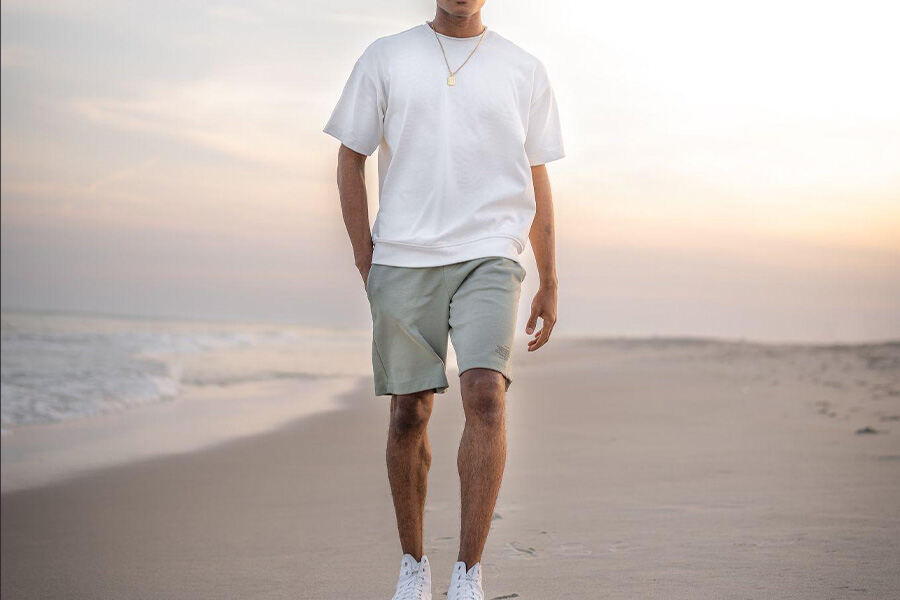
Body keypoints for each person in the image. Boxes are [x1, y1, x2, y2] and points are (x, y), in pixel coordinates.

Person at [324, 1, 564, 597]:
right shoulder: (386, 56)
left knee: (486, 395)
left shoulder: (523, 68)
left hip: (492, 249)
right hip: (403, 253)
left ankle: (467, 573)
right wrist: (365, 254)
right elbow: (350, 157)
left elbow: (536, 176)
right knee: (409, 412)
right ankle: (413, 566)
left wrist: (551, 279)